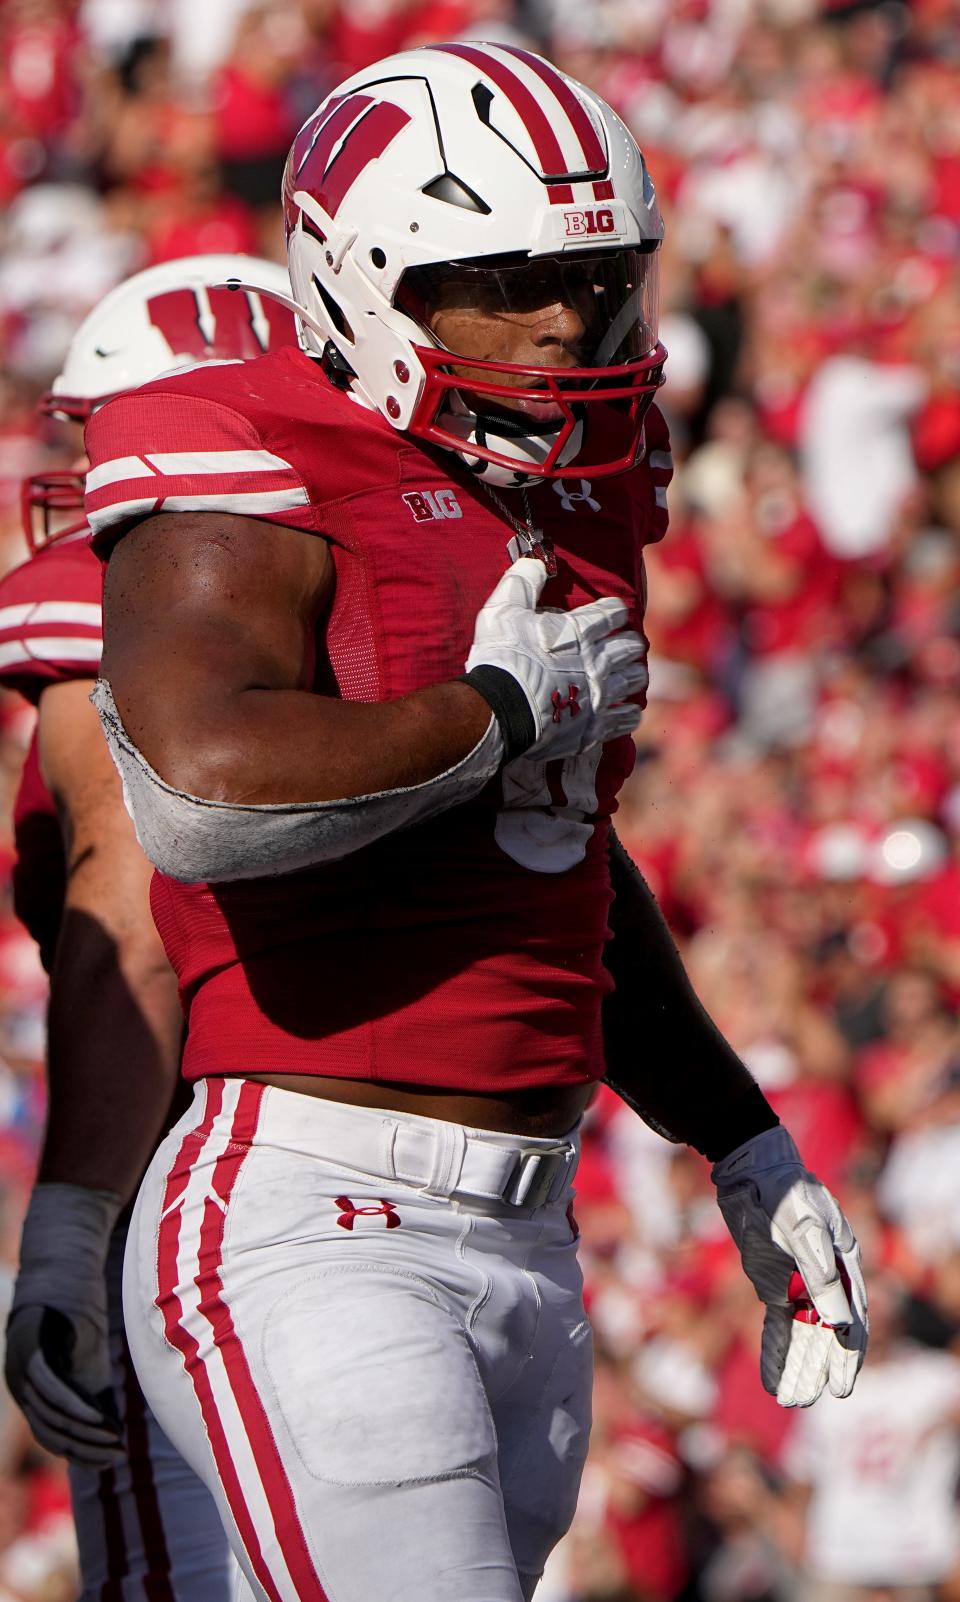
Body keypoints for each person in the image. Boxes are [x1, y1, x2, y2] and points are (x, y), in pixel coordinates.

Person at [84, 44, 868, 1602]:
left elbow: (567, 857)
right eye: (502, 282)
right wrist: (489, 714)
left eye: (590, 278)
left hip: (527, 1235)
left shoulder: (586, 493)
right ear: (363, 287)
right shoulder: (255, 459)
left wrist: (739, 1131)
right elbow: (194, 793)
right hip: (310, 1211)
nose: (565, 323)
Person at [0, 253, 299, 1601]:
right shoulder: (423, 568)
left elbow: (124, 910)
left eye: (106, 434)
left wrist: (67, 1225)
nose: (83, 471)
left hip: (191, 1182)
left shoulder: (120, 598)